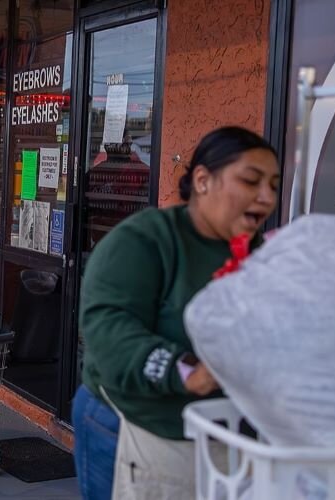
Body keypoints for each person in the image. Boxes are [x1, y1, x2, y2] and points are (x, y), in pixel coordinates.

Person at [72, 126, 280, 500]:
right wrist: (183, 371)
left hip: (224, 436)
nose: (266, 197)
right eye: (251, 181)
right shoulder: (145, 240)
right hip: (132, 423)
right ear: (202, 180)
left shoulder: (262, 253)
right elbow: (107, 329)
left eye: (274, 186)